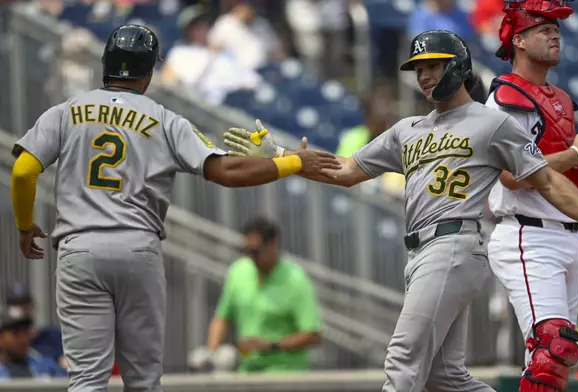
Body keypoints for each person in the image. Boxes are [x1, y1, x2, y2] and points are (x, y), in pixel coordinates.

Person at [222, 29, 578, 392]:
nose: (423, 76)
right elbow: (347, 170)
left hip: (455, 242)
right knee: (445, 378)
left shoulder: (490, 123)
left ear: (458, 65)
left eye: (432, 66)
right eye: (418, 69)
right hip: (420, 253)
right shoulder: (407, 129)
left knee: (402, 360)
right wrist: (280, 155)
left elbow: (543, 177)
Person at [9, 24, 339, 392]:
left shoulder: (65, 112)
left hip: (79, 248)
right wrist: (292, 162)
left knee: (86, 380)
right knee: (144, 381)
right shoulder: (164, 119)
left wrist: (25, 226)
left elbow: (23, 171)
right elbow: (224, 170)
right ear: (149, 73)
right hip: (137, 246)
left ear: (105, 64)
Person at [484, 1, 578, 391]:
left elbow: (558, 174)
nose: (554, 35)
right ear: (518, 39)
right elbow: (512, 174)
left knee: (556, 359)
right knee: (552, 345)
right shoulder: (505, 97)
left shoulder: (562, 99)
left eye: (557, 30)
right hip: (527, 235)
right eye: (543, 29)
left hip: (567, 236)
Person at [206, 216, 321, 373]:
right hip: (247, 375)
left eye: (255, 251)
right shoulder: (238, 272)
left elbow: (312, 335)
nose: (251, 257)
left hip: (287, 377)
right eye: (247, 251)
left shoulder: (296, 280)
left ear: (273, 245)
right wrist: (211, 355)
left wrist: (271, 346)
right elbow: (221, 319)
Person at [0, 305, 66, 380]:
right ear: (1, 337)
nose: (23, 339)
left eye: (25, 332)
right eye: (16, 333)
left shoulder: (45, 366)